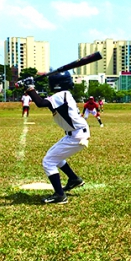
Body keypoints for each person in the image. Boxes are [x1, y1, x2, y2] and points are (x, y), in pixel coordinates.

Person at [21, 71, 88, 204]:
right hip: (75, 133)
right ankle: (74, 179)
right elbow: (44, 101)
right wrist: (28, 88)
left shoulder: (61, 95)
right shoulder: (64, 95)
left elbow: (40, 103)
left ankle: (60, 195)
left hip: (76, 135)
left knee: (48, 161)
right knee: (54, 157)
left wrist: (30, 88)